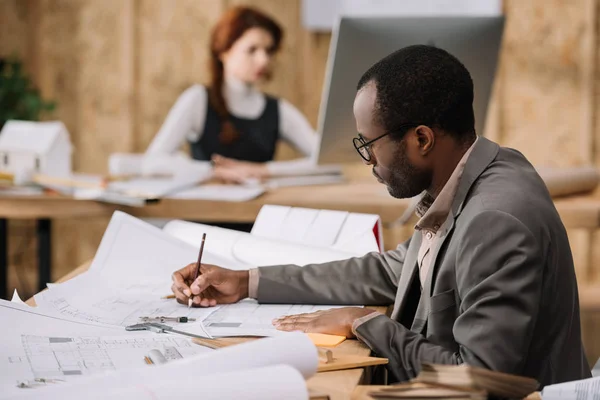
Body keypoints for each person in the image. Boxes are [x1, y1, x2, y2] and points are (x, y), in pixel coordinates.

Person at [170, 45, 591, 386]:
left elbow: (478, 381)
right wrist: (247, 281)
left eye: (369, 143)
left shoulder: (495, 219)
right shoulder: (483, 168)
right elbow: (397, 268)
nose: (369, 159)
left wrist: (364, 322)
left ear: (421, 138)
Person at [144, 6, 317, 183]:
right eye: (252, 50)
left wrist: (263, 170)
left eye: (268, 50)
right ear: (224, 51)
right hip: (207, 207)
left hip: (260, 207)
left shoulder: (278, 109)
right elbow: (152, 162)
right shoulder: (198, 99)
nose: (263, 60)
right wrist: (211, 171)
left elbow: (327, 160)